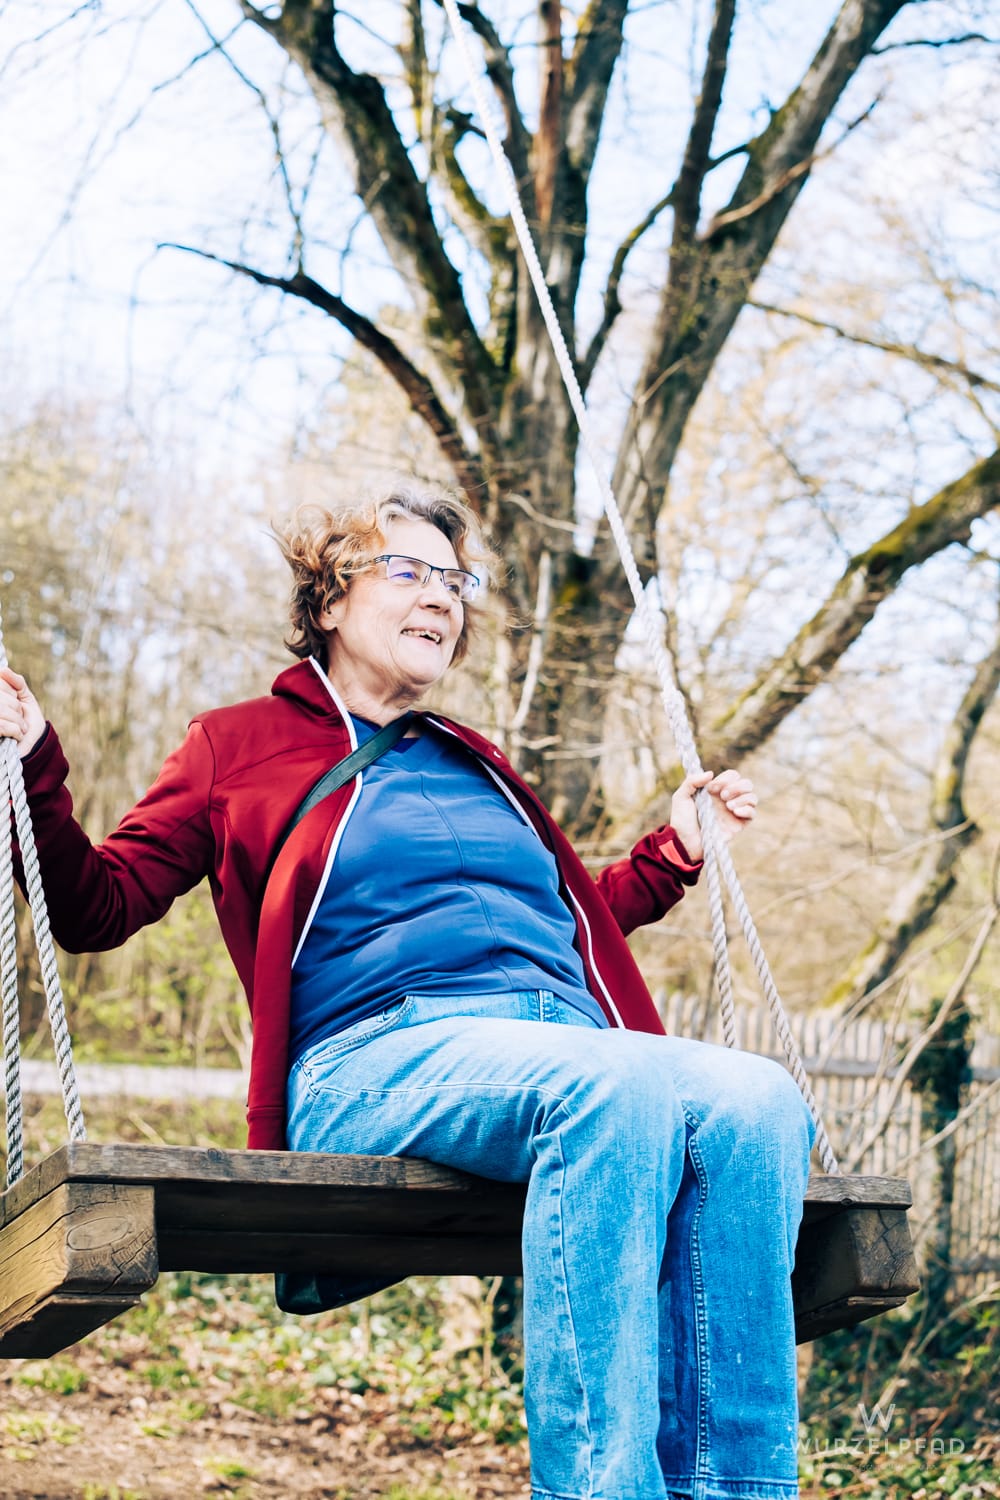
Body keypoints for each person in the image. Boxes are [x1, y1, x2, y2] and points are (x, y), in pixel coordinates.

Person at [1, 481, 813, 1500]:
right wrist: (31, 758)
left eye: (454, 580)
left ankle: (735, 1488)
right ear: (330, 599)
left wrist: (674, 853)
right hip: (373, 1058)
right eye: (408, 570)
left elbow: (563, 923)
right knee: (617, 1086)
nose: (440, 595)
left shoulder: (478, 762)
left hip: (560, 1047)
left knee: (760, 1102)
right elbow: (96, 906)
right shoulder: (235, 746)